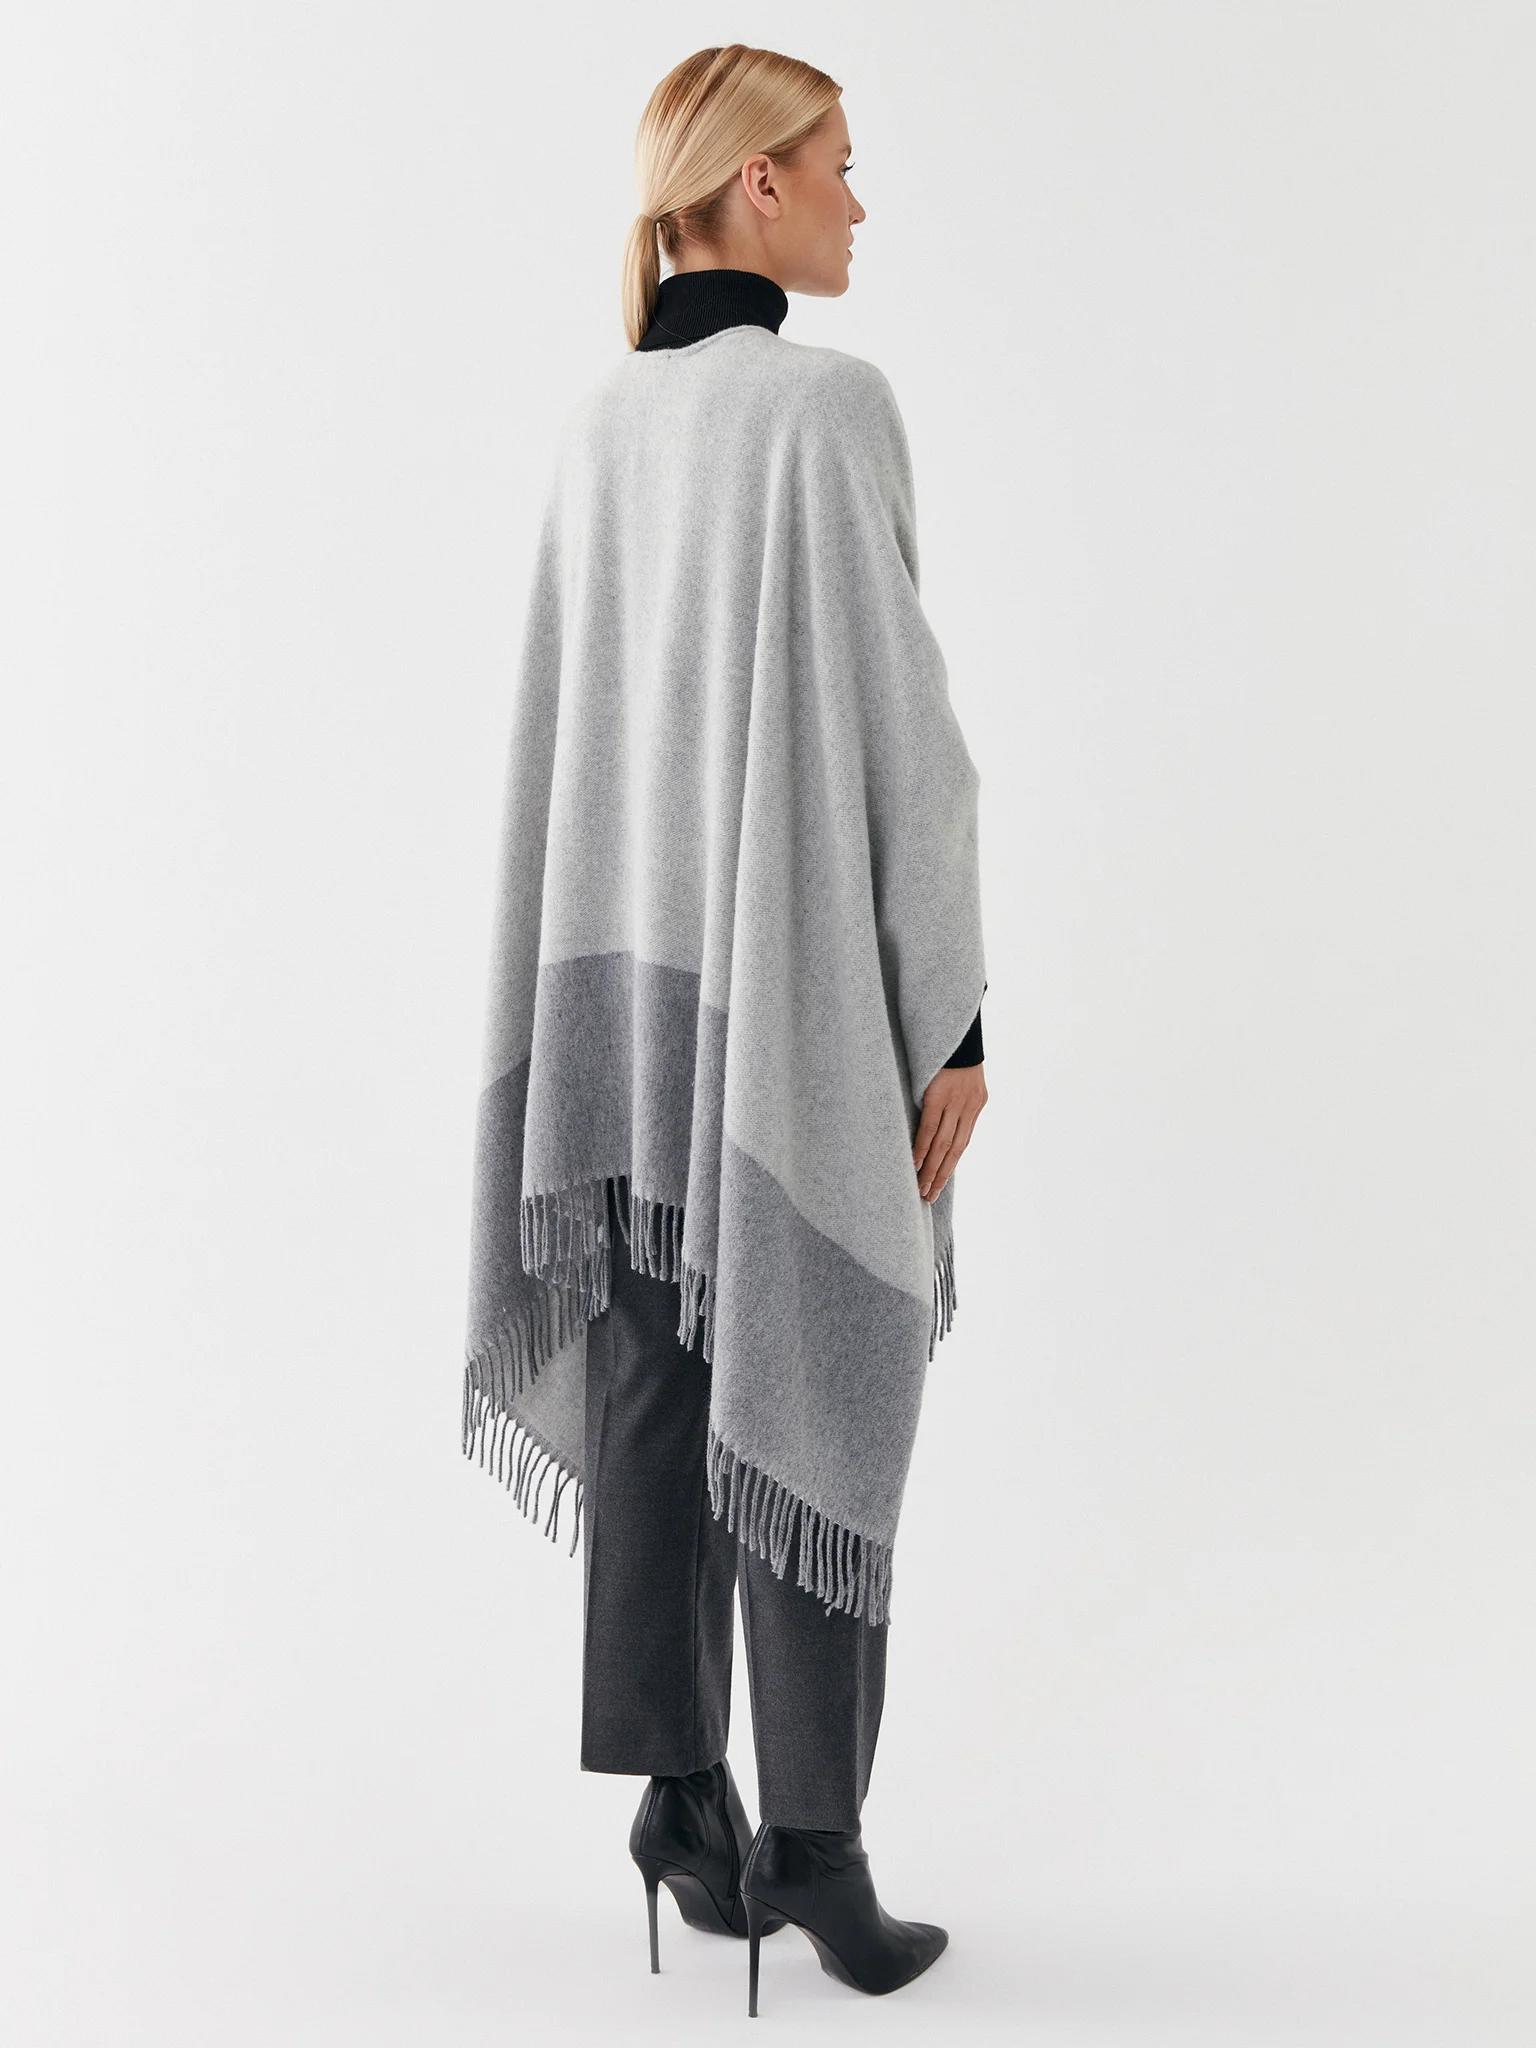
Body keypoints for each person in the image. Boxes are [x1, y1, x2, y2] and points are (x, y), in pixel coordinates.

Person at [462, 44, 988, 2013]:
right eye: (839, 163)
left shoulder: (601, 426)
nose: (860, 198)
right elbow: (908, 750)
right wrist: (954, 1016)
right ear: (753, 186)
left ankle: (682, 1799)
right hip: (777, 1011)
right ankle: (819, 1848)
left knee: (658, 1388)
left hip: (618, 1002)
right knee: (809, 1374)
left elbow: (574, 753)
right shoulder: (829, 409)